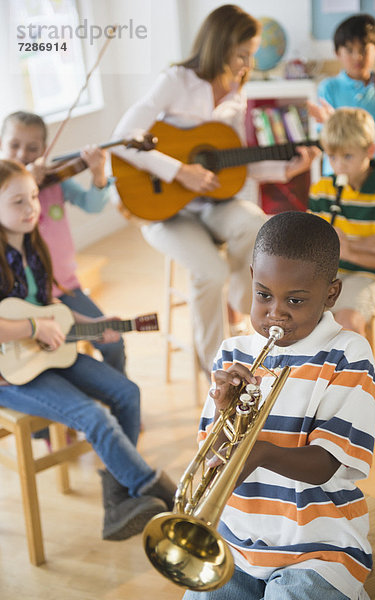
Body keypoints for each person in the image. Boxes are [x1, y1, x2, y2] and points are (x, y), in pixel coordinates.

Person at [112, 4, 319, 377]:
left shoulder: (236, 91)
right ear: (219, 46)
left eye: (250, 56)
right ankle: (216, 369)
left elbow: (234, 160)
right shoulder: (176, 80)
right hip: (165, 210)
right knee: (209, 271)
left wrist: (287, 168)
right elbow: (123, 140)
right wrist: (180, 171)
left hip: (214, 204)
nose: (245, 64)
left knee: (262, 227)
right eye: (241, 54)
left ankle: (243, 305)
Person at [184, 211, 375, 600]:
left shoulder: (348, 354)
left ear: (331, 294)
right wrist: (224, 410)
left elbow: (326, 463)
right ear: (252, 277)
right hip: (236, 542)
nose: (276, 313)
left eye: (295, 300)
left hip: (320, 547)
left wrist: (259, 453)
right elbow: (213, 462)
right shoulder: (232, 353)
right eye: (263, 295)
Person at [0, 159, 176, 541]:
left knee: (127, 393)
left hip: (47, 355)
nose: (31, 207)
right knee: (92, 416)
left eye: (33, 196)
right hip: (9, 374)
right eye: (18, 201)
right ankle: (154, 489)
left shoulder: (34, 245)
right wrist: (32, 327)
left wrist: (97, 326)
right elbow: (30, 321)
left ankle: (117, 497)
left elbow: (47, 306)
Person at [0, 111, 126, 374]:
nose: (23, 154)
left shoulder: (55, 181)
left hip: (65, 288)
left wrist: (98, 173)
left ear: (45, 150)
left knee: (113, 343)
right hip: (24, 297)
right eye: (14, 145)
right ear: (2, 144)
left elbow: (92, 205)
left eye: (32, 148)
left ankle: (117, 389)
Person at [309, 107, 375, 337]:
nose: (339, 166)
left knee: (346, 324)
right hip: (327, 275)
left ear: (370, 150)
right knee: (298, 318)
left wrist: (349, 252)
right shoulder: (322, 191)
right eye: (332, 157)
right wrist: (362, 244)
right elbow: (313, 246)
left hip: (370, 276)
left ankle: (355, 373)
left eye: (347, 156)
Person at [308, 13, 375, 178]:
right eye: (349, 50)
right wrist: (329, 120)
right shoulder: (329, 87)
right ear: (337, 53)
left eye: (363, 49)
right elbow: (327, 141)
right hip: (337, 175)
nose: (357, 57)